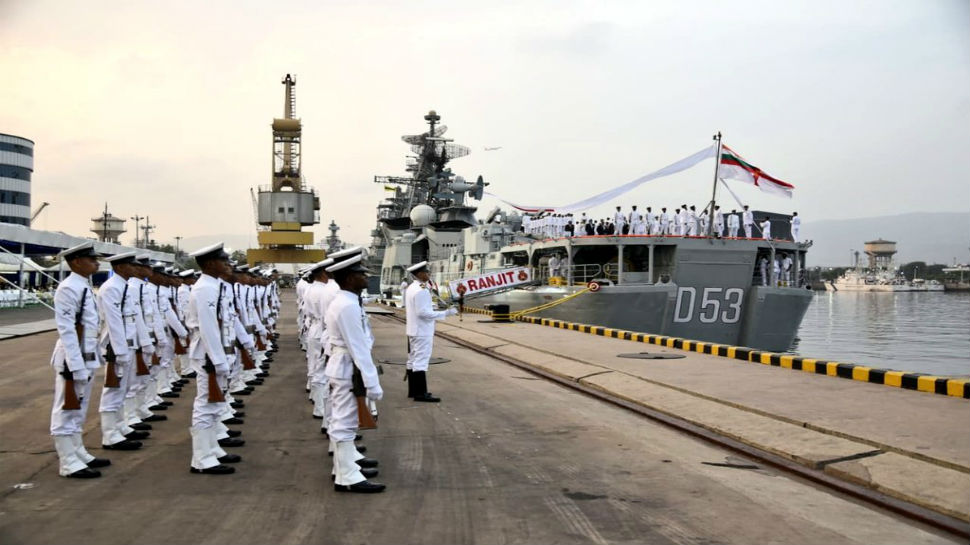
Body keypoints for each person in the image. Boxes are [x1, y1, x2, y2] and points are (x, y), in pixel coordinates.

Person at [325, 252, 385, 493]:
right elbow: (358, 346)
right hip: (347, 366)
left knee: (346, 421)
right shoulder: (346, 305)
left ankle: (347, 469)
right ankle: (347, 477)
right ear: (349, 278)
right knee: (345, 422)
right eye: (361, 273)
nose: (365, 277)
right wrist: (372, 382)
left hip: (346, 365)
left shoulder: (348, 301)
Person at [50, 242, 111, 478]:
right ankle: (67, 461)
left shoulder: (84, 285)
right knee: (66, 409)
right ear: (76, 262)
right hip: (71, 358)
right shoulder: (68, 288)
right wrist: (75, 364)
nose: (97, 263)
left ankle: (77, 451)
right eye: (91, 259)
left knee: (79, 408)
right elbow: (67, 329)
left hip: (86, 356)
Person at [185, 243, 238, 475]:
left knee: (215, 404)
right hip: (209, 355)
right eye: (223, 260)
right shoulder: (205, 288)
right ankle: (202, 458)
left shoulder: (215, 286)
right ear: (209, 264)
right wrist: (218, 361)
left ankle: (211, 448)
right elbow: (208, 328)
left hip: (217, 352)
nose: (228, 264)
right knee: (206, 405)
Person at [98, 251, 145, 452]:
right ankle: (110, 435)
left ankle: (119, 427)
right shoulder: (110, 289)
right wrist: (121, 351)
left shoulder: (124, 286)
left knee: (123, 389)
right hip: (117, 348)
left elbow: (132, 319)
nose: (135, 268)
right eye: (131, 265)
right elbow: (114, 322)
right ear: (119, 267)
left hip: (127, 344)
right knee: (113, 390)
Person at [404, 261, 458, 403]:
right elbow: (423, 313)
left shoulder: (412, 287)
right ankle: (421, 394)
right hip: (422, 331)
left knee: (413, 361)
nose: (429, 274)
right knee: (420, 361)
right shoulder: (421, 290)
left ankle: (413, 391)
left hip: (414, 329)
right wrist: (446, 313)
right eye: (426, 272)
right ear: (419, 274)